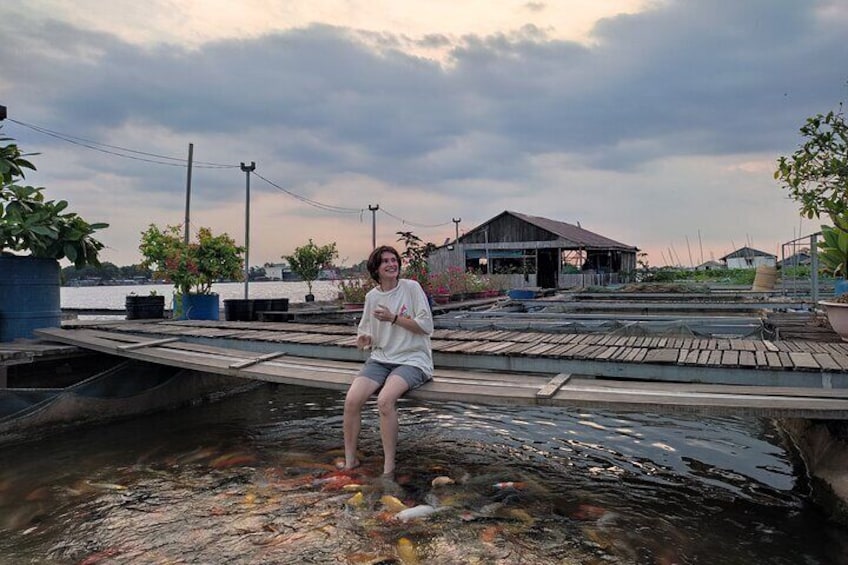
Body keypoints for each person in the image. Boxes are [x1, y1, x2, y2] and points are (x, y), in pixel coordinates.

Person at [342, 245, 434, 478]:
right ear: (376, 269)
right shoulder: (372, 297)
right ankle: (350, 462)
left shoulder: (411, 288)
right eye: (385, 261)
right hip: (381, 358)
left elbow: (426, 326)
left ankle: (388, 468)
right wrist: (364, 339)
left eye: (394, 260)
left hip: (413, 359)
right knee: (352, 400)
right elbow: (366, 334)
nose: (392, 264)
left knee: (384, 401)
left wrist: (394, 318)